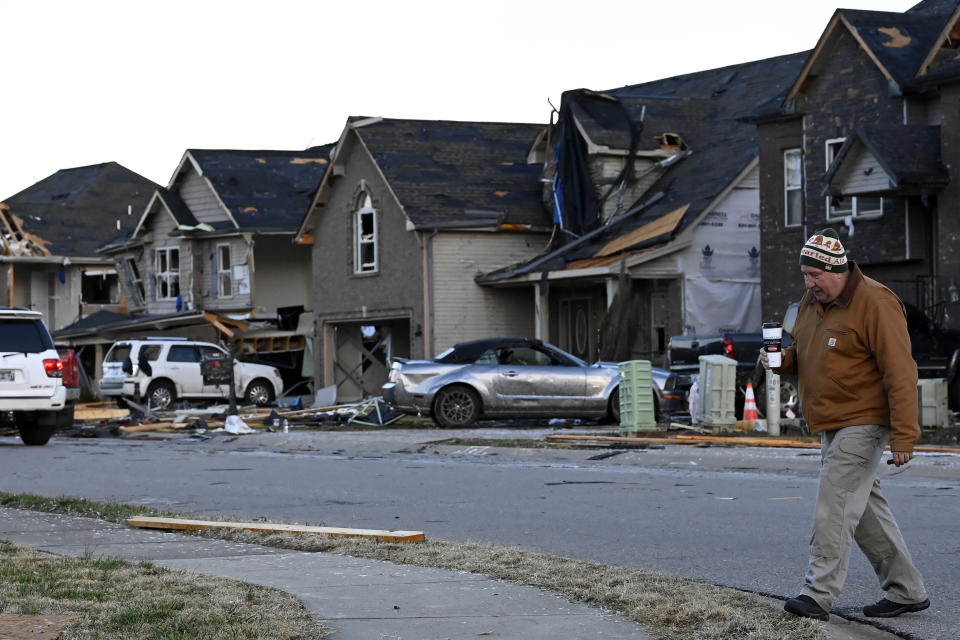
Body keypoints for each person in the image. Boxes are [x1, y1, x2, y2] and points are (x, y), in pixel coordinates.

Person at [762, 228, 929, 621]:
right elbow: (805, 352)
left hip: (865, 421)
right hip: (832, 422)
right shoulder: (811, 302)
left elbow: (901, 372)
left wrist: (905, 434)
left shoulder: (876, 301)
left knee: (834, 504)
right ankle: (907, 590)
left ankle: (817, 594)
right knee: (866, 512)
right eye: (805, 275)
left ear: (836, 270)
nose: (809, 283)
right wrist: (780, 360)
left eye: (815, 275)